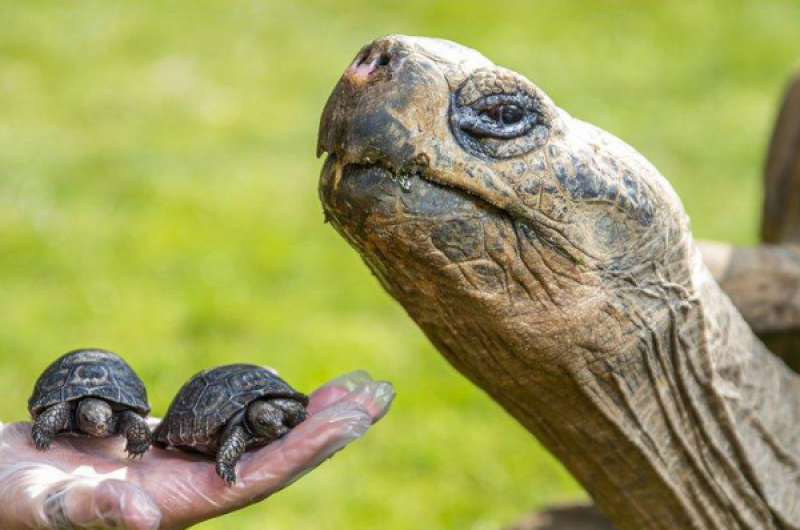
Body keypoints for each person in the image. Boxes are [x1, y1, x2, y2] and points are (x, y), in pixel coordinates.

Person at [0, 371, 393, 530]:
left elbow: (290, 411)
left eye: (278, 420)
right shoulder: (238, 429)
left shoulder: (271, 413)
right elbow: (235, 437)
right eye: (267, 422)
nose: (275, 427)